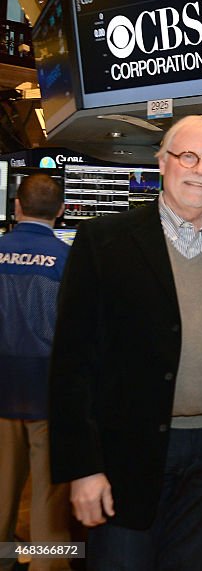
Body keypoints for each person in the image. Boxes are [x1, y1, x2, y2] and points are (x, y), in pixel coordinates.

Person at [48, 116, 202, 570]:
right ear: (163, 162)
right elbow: (71, 365)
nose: (199, 170)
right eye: (188, 156)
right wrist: (83, 468)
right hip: (122, 455)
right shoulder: (103, 241)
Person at [0, 175, 71, 571]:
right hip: (48, 395)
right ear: (60, 211)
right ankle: (47, 566)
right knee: (48, 498)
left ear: (16, 207)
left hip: (0, 392)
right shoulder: (67, 261)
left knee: (1, 493)